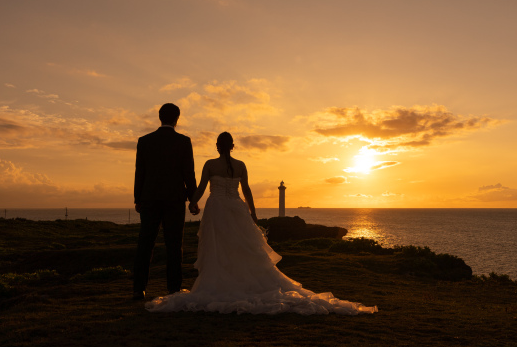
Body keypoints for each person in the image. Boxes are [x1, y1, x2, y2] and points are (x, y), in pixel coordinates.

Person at [145, 132, 377, 315]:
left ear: (218, 146)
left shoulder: (210, 164)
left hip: (216, 210)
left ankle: (222, 282)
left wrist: (192, 203)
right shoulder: (241, 165)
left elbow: (202, 188)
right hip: (236, 209)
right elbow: (246, 191)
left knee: (219, 249)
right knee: (241, 248)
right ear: (232, 146)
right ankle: (241, 281)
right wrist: (252, 214)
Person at [132, 103, 197, 300]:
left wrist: (138, 198)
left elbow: (139, 172)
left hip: (149, 198)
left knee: (145, 244)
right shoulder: (184, 142)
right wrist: (193, 199)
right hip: (175, 200)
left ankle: (139, 289)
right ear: (177, 119)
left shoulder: (144, 141)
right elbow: (189, 173)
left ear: (159, 117)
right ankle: (174, 288)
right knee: (174, 245)